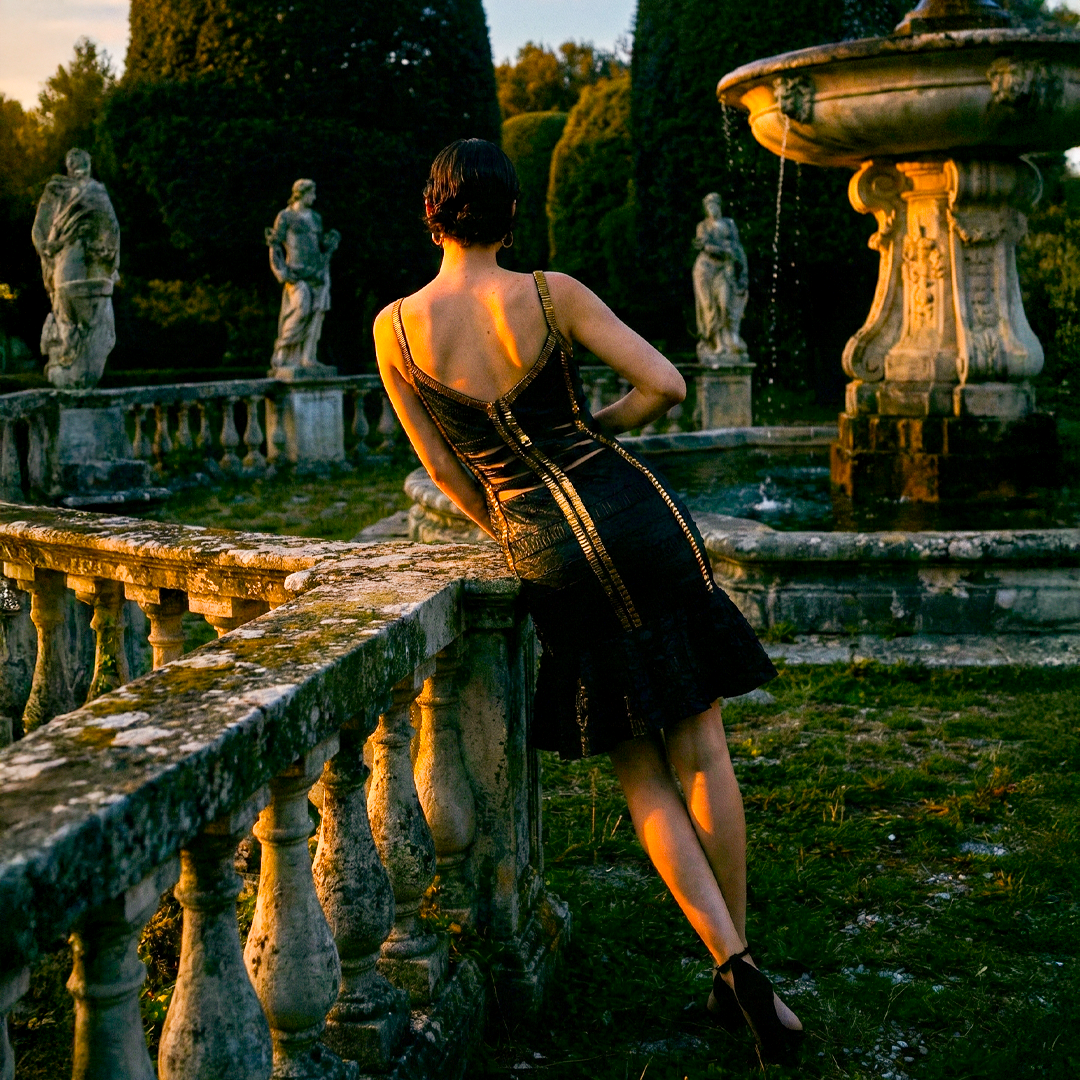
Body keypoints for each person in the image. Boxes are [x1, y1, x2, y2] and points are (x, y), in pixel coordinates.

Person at [373, 139, 804, 1065]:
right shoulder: (549, 293)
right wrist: (589, 436)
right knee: (702, 741)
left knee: (639, 767)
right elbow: (667, 385)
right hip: (636, 513)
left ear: (432, 213)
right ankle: (744, 965)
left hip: (543, 545)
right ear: (510, 214)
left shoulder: (396, 329)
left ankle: (732, 966)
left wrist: (513, 516)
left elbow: (444, 469)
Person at [266, 178, 341, 374]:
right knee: (301, 309)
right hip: (296, 274)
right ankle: (283, 350)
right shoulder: (286, 216)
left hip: (317, 273)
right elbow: (275, 244)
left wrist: (329, 243)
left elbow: (318, 245)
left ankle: (308, 357)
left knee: (316, 315)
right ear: (301, 193)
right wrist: (280, 271)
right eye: (311, 193)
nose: (314, 197)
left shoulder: (315, 218)